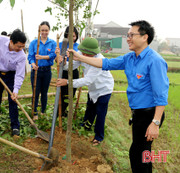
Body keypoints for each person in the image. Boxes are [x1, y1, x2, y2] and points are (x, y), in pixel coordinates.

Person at [68, 20, 169, 173]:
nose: (128, 38)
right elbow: (105, 63)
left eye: (131, 35)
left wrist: (155, 122)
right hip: (138, 113)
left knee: (138, 153)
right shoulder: (129, 58)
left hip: (149, 114)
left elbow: (161, 94)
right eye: (127, 35)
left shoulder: (155, 61)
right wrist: (80, 57)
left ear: (144, 37)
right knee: (140, 152)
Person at [57, 37, 114, 145]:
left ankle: (98, 137)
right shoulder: (81, 53)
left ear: (92, 52)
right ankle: (86, 126)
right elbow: (71, 67)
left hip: (104, 88)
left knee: (100, 112)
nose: (83, 55)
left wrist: (68, 82)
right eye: (82, 52)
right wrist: (64, 63)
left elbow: (87, 80)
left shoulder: (99, 61)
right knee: (90, 107)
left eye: (86, 53)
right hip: (93, 88)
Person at [0, 29, 27, 137]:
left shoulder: (22, 56)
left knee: (12, 101)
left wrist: (16, 90)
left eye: (22, 47)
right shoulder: (0, 40)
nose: (20, 49)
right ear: (11, 41)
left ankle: (15, 126)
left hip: (11, 76)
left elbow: (19, 74)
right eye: (19, 46)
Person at [28, 21, 56, 120]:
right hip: (36, 71)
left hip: (47, 71)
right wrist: (33, 64)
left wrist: (42, 57)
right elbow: (30, 57)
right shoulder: (34, 43)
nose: (44, 32)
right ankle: (35, 112)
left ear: (49, 31)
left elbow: (53, 55)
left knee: (44, 92)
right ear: (39, 31)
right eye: (42, 30)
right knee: (35, 92)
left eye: (46, 30)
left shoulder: (52, 43)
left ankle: (43, 111)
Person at [58, 26, 80, 117]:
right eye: (69, 36)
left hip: (73, 71)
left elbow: (78, 60)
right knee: (62, 93)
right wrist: (58, 57)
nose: (71, 38)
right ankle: (60, 112)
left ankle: (64, 110)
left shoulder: (78, 47)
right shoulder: (62, 44)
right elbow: (57, 59)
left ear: (76, 37)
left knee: (70, 94)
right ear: (66, 35)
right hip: (63, 72)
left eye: (73, 36)